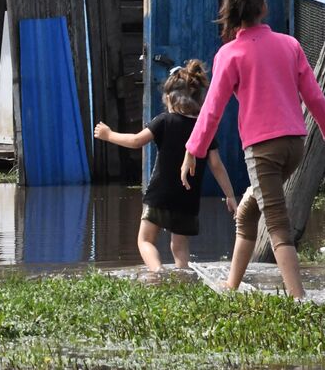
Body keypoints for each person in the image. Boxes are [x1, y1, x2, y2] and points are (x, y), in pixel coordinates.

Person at [180, 0, 325, 299]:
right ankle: (231, 285)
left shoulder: (229, 54)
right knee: (248, 212)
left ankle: (299, 299)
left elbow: (212, 110)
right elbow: (314, 97)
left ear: (231, 13)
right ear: (264, 8)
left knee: (276, 223)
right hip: (294, 146)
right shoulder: (289, 45)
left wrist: (193, 149)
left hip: (262, 150)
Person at [95, 60, 237, 272]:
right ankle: (183, 276)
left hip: (160, 194)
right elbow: (216, 164)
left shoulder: (164, 120)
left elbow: (136, 141)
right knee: (179, 246)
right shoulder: (202, 129)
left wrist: (108, 135)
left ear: (169, 98)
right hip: (187, 198)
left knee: (145, 240)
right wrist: (230, 195)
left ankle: (158, 272)